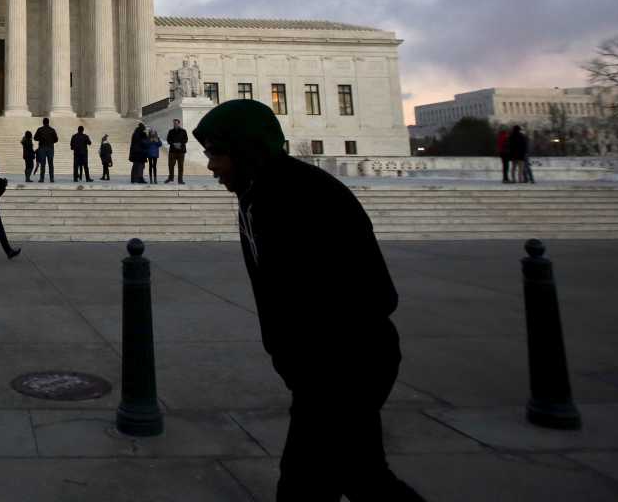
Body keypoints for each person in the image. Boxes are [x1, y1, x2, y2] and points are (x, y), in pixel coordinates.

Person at [193, 100, 426, 501]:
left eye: (216, 154)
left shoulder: (300, 195)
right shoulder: (255, 193)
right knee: (364, 477)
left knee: (305, 485)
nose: (211, 166)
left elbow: (372, 291)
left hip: (345, 364)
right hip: (329, 368)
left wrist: (314, 362)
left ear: (245, 150)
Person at [34, 117, 59, 183]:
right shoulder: (52, 130)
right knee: (51, 164)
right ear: (48, 122)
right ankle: (51, 179)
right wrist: (50, 141)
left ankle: (42, 179)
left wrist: (41, 139)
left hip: (42, 148)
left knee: (43, 164)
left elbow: (35, 138)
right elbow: (56, 139)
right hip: (50, 148)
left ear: (43, 122)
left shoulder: (40, 129)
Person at [165, 118, 189, 184]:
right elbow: (168, 139)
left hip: (181, 151)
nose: (175, 124)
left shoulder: (183, 131)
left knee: (180, 166)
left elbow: (186, 139)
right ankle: (170, 178)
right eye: (174, 123)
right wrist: (173, 144)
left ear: (179, 123)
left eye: (176, 123)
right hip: (172, 151)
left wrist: (180, 143)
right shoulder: (170, 131)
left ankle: (180, 180)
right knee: (170, 165)